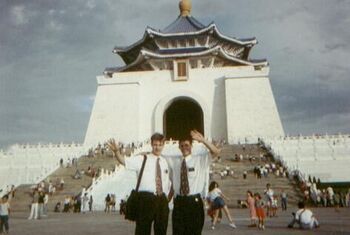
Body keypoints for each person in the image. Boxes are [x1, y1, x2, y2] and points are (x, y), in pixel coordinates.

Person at [108, 133, 171, 235]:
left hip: (161, 200)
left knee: (161, 230)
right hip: (145, 199)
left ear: (163, 145)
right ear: (151, 144)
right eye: (155, 144)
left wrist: (167, 198)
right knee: (142, 230)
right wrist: (116, 152)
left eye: (160, 145)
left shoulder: (164, 161)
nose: (157, 147)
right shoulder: (143, 158)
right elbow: (124, 161)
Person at [165, 131, 222, 235]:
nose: (184, 148)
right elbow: (174, 184)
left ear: (191, 146)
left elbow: (216, 152)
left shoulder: (199, 160)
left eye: (187, 145)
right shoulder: (174, 161)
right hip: (179, 203)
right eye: (181, 146)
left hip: (194, 204)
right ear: (179, 147)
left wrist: (203, 140)